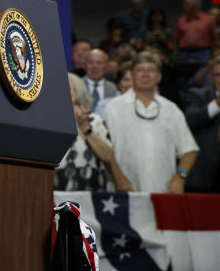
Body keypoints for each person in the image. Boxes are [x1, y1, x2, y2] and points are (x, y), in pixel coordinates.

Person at [103, 52, 199, 193]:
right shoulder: (113, 108)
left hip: (163, 191)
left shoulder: (171, 110)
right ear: (132, 74)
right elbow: (104, 150)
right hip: (123, 192)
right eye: (140, 70)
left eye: (151, 70)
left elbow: (190, 149)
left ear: (159, 77)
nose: (145, 75)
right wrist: (119, 179)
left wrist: (180, 177)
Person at [54, 73, 132, 191]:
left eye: (67, 87)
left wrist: (86, 129)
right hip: (56, 191)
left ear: (78, 92)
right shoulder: (49, 122)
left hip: (91, 193)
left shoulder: (95, 121)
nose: (62, 91)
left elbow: (108, 156)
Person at [183, 56, 220, 192]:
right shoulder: (198, 95)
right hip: (202, 176)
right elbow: (190, 121)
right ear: (211, 78)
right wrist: (217, 104)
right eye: (218, 75)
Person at [82, 49, 117, 114]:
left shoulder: (113, 88)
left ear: (106, 66)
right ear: (84, 65)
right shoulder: (76, 86)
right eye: (90, 62)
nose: (95, 66)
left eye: (99, 63)